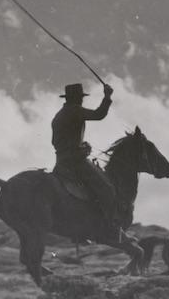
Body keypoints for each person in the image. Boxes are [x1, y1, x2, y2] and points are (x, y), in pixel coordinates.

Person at [51, 81, 125, 236]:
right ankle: (110, 229)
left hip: (61, 161)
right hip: (75, 161)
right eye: (80, 97)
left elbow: (58, 142)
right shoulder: (75, 110)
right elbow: (99, 114)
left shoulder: (59, 115)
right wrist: (107, 96)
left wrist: (81, 146)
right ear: (77, 98)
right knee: (107, 188)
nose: (81, 100)